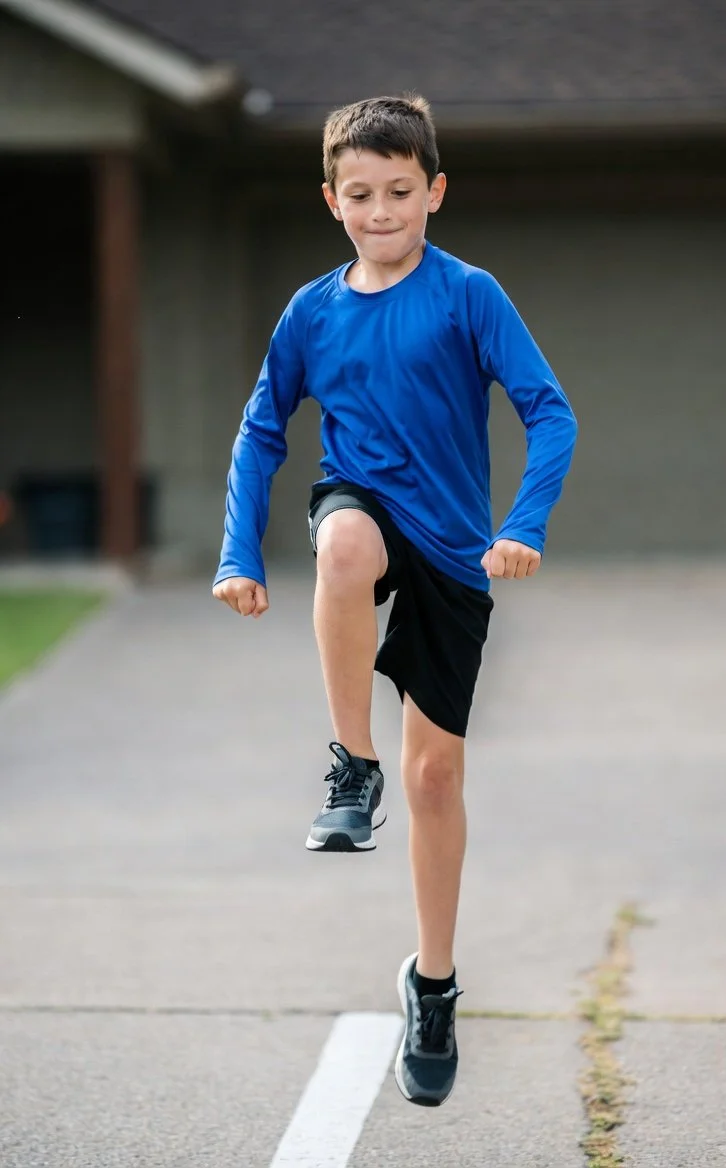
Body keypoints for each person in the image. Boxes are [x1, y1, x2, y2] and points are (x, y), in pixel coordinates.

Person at [212, 93, 578, 1107]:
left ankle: (432, 979)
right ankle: (348, 764)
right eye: (360, 194)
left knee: (438, 782)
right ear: (331, 199)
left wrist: (523, 525)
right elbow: (260, 431)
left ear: (435, 193)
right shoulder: (311, 313)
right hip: (362, 499)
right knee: (339, 550)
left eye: (401, 193)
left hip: (457, 550)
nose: (381, 212)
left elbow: (550, 412)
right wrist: (240, 550)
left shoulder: (469, 296)